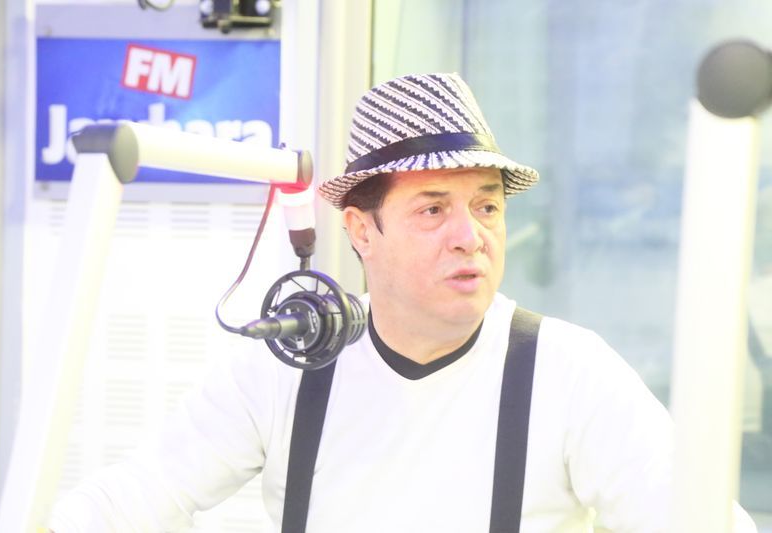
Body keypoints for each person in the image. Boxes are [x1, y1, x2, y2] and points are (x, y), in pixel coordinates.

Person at [49, 72, 757, 532]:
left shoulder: (570, 372)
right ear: (362, 231)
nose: (470, 236)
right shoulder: (284, 367)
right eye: (433, 209)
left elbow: (700, 519)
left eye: (486, 206)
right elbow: (140, 494)